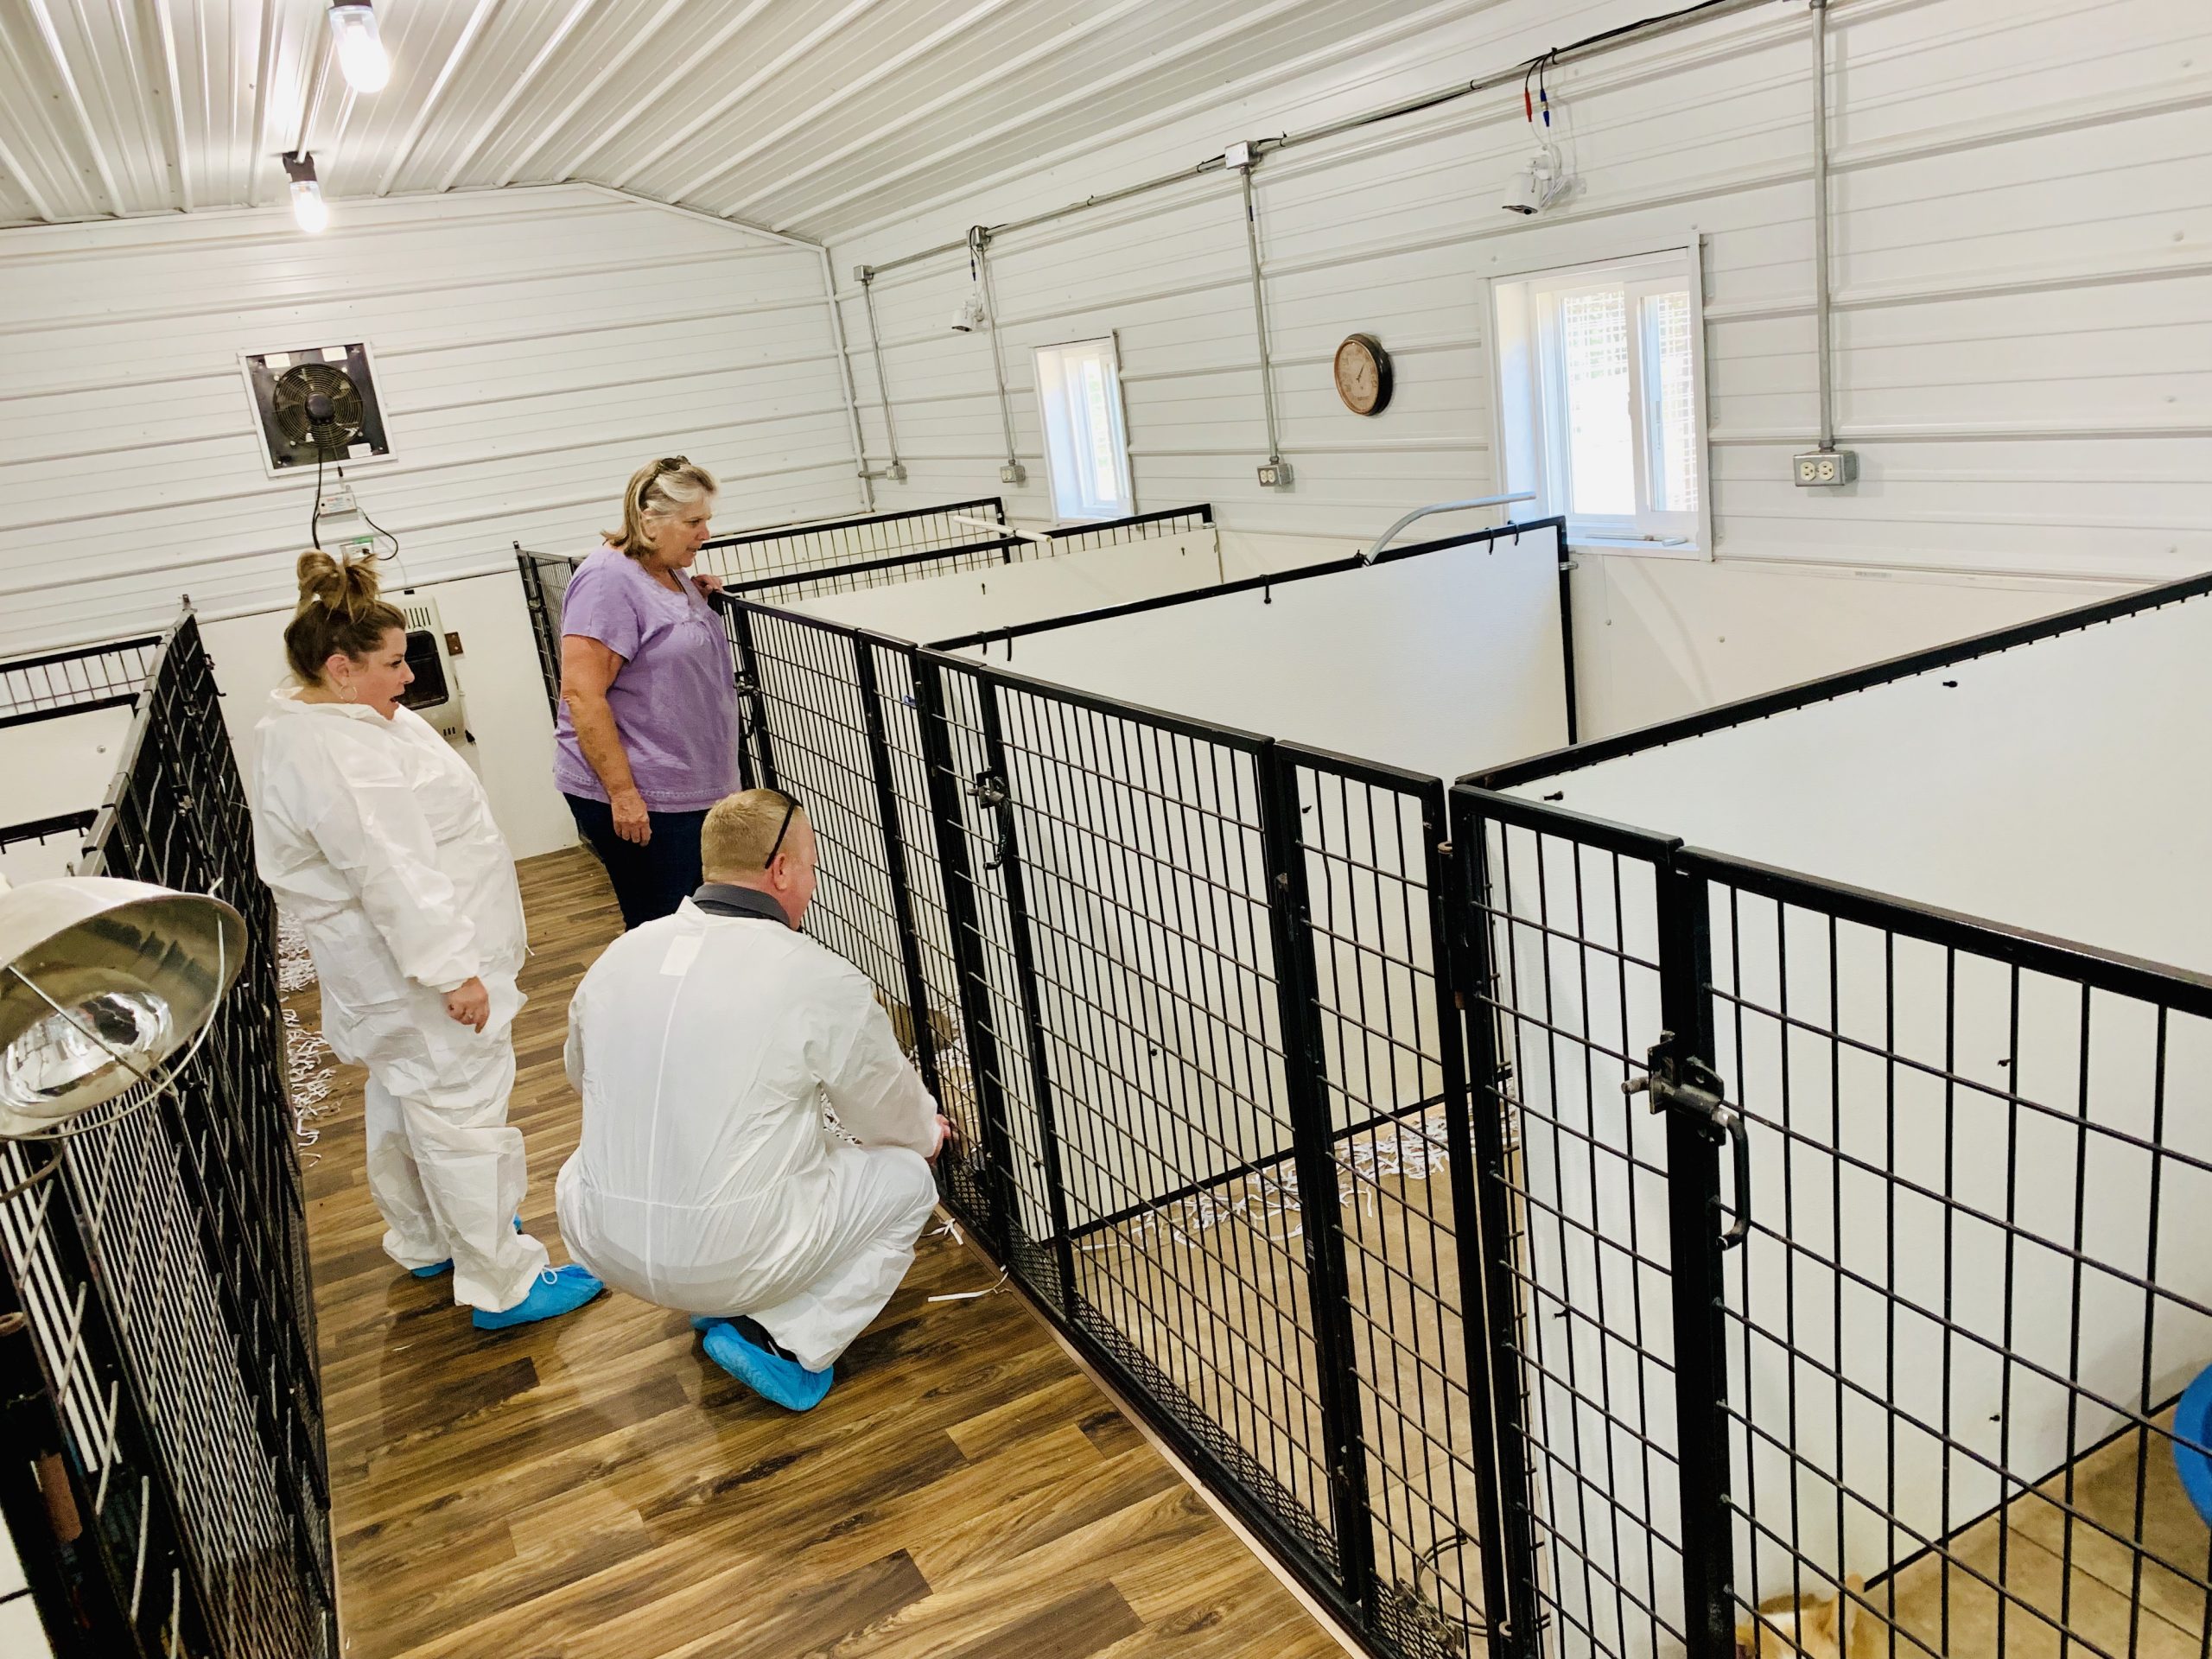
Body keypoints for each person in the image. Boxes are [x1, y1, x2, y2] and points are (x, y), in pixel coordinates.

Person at [254, 551, 603, 1331]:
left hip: (390, 977)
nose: (409, 677)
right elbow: (393, 874)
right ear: (340, 668)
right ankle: (503, 1281)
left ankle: (425, 1236)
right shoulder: (341, 752)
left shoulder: (329, 717)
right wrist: (454, 972)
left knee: (405, 1099)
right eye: (392, 664)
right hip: (418, 975)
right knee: (462, 1116)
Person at [555, 789, 954, 1411]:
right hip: (728, 1253)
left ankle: (724, 1293)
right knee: (906, 1181)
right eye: (814, 867)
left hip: (600, 1238)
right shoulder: (817, 977)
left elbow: (583, 1078)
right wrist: (928, 1135)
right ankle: (787, 1343)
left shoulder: (622, 954)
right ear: (783, 870)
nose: (812, 884)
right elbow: (885, 1113)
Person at [554, 455, 741, 930]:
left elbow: (663, 639)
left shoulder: (671, 568)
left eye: (707, 521)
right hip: (647, 796)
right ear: (647, 520)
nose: (705, 534)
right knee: (667, 930)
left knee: (699, 923)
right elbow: (581, 694)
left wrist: (698, 595)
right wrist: (624, 795)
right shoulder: (605, 581)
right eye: (693, 522)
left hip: (690, 784)